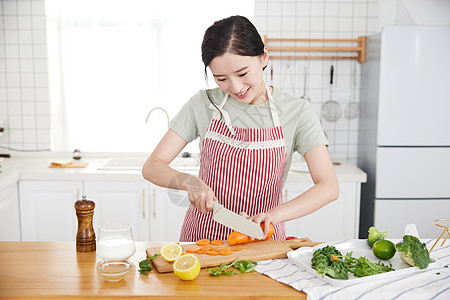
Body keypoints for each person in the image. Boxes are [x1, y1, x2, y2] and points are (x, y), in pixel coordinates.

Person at [142, 15, 339, 242]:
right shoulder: (202, 104)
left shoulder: (298, 111)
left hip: (264, 238)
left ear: (264, 57)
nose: (235, 87)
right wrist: (189, 183)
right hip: (203, 240)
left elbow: (328, 186)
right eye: (221, 78)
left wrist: (274, 215)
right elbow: (152, 166)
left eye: (243, 73)